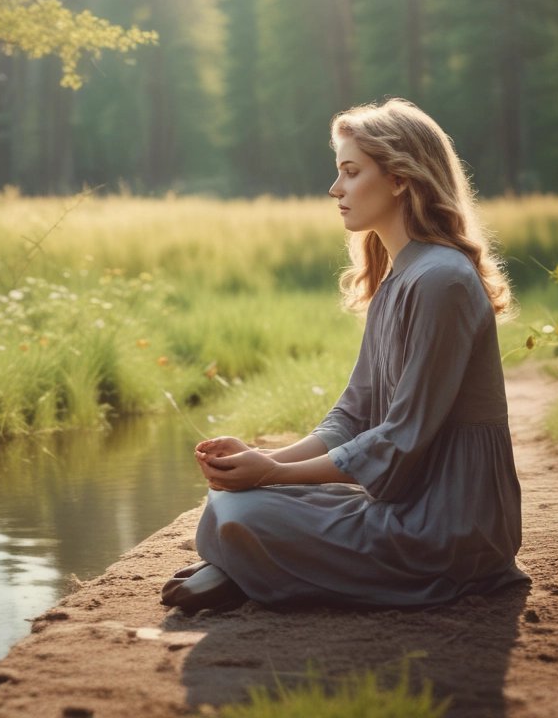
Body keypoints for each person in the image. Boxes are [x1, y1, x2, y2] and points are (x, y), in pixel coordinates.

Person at [161, 98, 529, 614]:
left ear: (400, 178)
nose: (335, 189)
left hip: (451, 526)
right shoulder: (399, 278)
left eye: (351, 172)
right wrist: (265, 461)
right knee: (232, 501)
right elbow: (353, 415)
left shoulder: (441, 281)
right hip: (404, 501)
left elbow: (401, 440)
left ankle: (243, 569)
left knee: (248, 513)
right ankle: (244, 566)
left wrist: (270, 474)